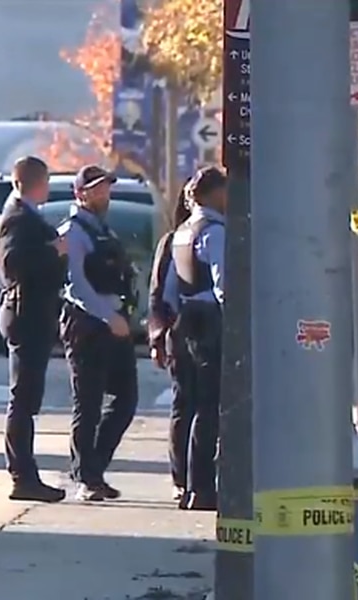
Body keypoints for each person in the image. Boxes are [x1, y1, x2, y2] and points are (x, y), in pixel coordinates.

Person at [59, 164, 141, 502]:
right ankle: (86, 478)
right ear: (81, 194)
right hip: (87, 324)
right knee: (88, 404)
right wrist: (108, 316)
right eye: (96, 188)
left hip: (114, 321)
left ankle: (95, 467)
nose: (104, 193)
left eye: (106, 187)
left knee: (125, 399)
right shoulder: (73, 232)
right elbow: (75, 284)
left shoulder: (105, 231)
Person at [0, 156, 68, 503]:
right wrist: (53, 250)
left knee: (28, 397)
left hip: (36, 311)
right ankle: (22, 475)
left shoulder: (28, 216)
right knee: (22, 399)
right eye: (45, 181)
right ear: (34, 182)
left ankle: (25, 472)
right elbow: (13, 264)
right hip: (24, 312)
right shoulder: (16, 219)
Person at [162, 166, 228, 510]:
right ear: (215, 194)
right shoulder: (215, 232)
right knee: (208, 407)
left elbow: (171, 288)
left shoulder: (183, 232)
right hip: (208, 322)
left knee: (185, 405)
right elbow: (223, 285)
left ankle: (184, 481)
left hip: (185, 320)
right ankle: (203, 487)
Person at [148, 183, 196, 501]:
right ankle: (182, 477)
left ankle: (197, 473)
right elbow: (158, 294)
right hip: (182, 331)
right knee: (185, 405)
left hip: (193, 331)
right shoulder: (174, 241)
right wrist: (157, 337)